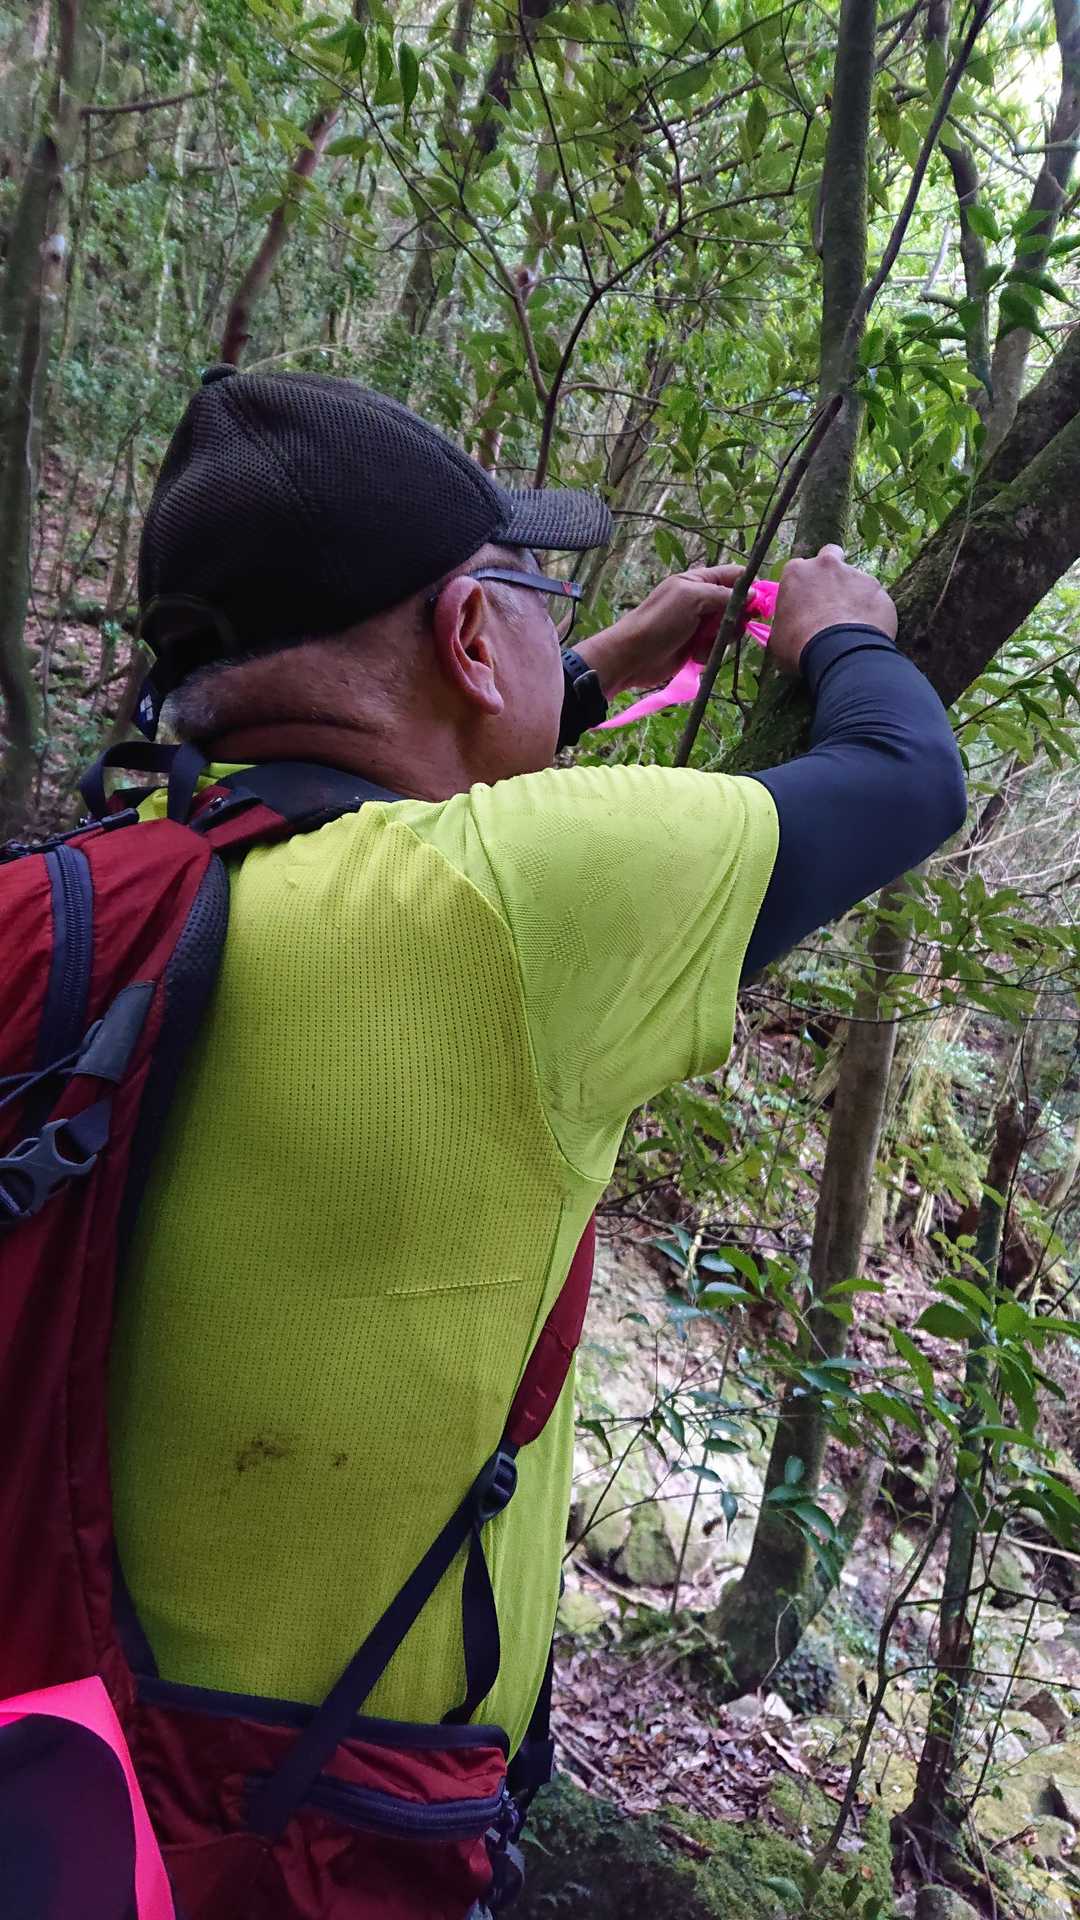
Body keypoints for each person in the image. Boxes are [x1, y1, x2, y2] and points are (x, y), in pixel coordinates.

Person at [109, 368, 965, 1866]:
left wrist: (602, 665)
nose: (554, 631)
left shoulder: (135, 853)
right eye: (530, 597)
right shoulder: (505, 901)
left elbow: (354, 768)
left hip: (85, 1739)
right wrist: (847, 633)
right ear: (462, 636)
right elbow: (904, 780)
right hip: (319, 1817)